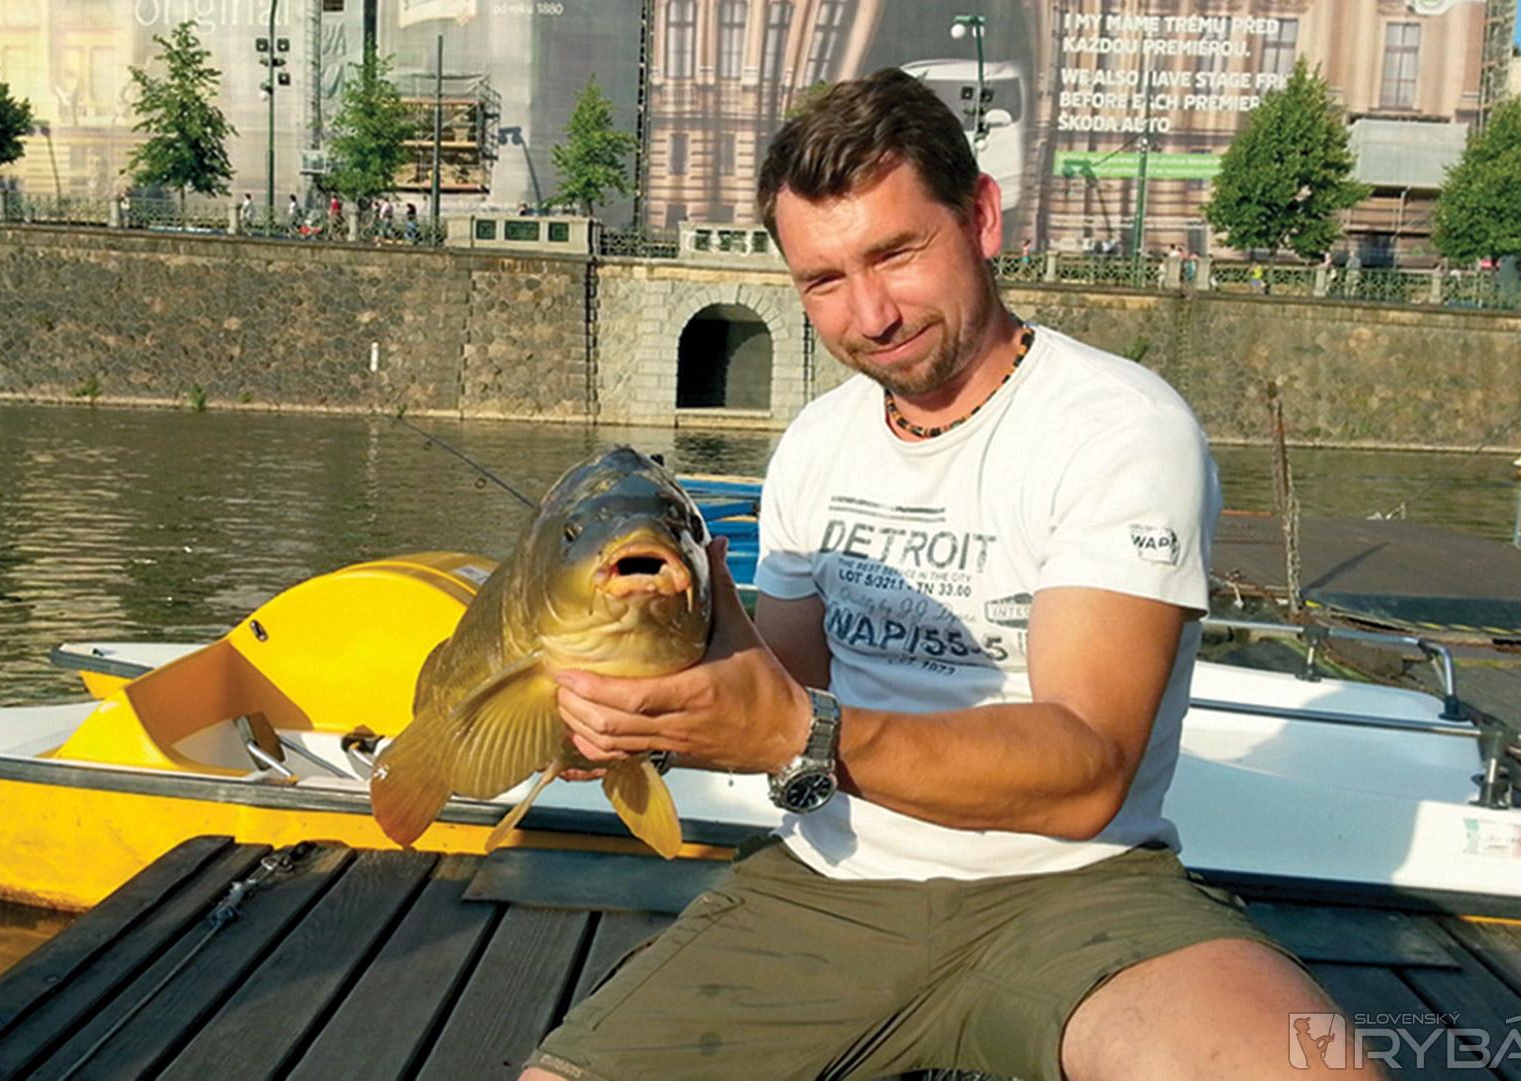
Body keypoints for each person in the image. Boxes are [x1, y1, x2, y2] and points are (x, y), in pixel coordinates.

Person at [521, 69, 1378, 1081]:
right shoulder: (815, 443)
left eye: (896, 254)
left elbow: (1088, 769)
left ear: (980, 217)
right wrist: (645, 716)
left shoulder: (1119, 428)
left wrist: (798, 731)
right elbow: (783, 687)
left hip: (1081, 888)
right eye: (823, 280)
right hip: (833, 878)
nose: (871, 313)